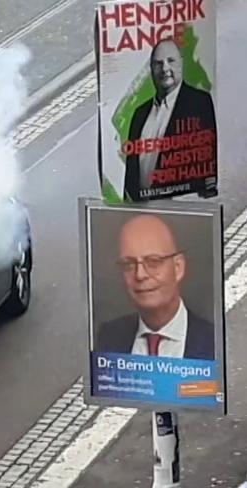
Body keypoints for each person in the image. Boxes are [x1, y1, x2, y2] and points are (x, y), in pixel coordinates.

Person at [95, 214, 214, 360]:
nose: (140, 275)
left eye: (153, 262)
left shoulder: (214, 340)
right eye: (128, 264)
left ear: (178, 268)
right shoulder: (108, 337)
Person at [123, 39, 217, 201]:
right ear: (151, 69)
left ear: (181, 63)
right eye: (158, 63)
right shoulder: (139, 113)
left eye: (170, 61)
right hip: (143, 208)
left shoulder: (199, 102)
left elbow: (208, 153)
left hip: (182, 204)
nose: (165, 68)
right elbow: (131, 171)